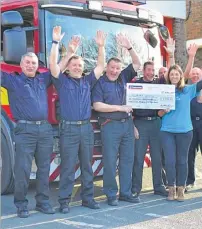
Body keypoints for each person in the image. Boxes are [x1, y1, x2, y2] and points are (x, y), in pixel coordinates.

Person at [49, 26, 106, 213]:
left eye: (80, 65)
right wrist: (59, 45)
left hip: (85, 129)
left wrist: (100, 47)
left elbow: (100, 67)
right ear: (69, 67)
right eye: (74, 65)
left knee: (87, 165)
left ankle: (87, 198)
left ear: (83, 68)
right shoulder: (62, 81)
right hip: (69, 130)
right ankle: (64, 201)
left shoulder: (87, 81)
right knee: (67, 166)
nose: (77, 67)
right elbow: (53, 67)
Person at [1, 52, 55, 218]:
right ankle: (21, 205)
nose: (30, 65)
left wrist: (57, 44)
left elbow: (56, 67)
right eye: (27, 62)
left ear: (37, 65)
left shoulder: (42, 79)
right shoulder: (12, 80)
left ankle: (43, 203)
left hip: (45, 130)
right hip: (25, 131)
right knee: (23, 170)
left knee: (44, 169)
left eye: (33, 63)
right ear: (21, 65)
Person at [158, 51, 202, 202]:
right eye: (172, 74)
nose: (174, 77)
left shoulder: (188, 90)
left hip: (185, 131)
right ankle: (171, 189)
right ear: (169, 76)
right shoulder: (163, 91)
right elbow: (158, 114)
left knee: (182, 161)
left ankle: (181, 189)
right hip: (167, 131)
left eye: (177, 74)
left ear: (181, 76)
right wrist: (164, 110)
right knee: (170, 161)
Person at [92, 33, 141, 206]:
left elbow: (137, 64)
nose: (114, 71)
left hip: (127, 125)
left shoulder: (123, 77)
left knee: (128, 160)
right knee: (111, 161)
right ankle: (111, 194)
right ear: (106, 67)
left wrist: (129, 47)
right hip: (109, 125)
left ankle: (125, 193)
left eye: (117, 68)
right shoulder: (100, 82)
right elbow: (97, 105)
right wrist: (120, 108)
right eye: (112, 67)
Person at [131, 61, 168, 198]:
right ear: (144, 70)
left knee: (157, 158)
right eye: (149, 70)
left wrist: (170, 54)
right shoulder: (136, 85)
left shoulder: (159, 83)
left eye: (153, 70)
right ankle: (135, 188)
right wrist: (132, 126)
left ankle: (159, 187)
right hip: (140, 123)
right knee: (138, 158)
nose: (151, 73)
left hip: (156, 123)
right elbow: (129, 107)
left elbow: (174, 73)